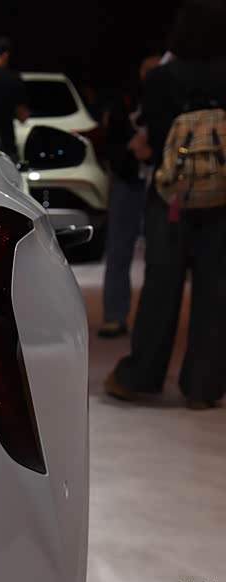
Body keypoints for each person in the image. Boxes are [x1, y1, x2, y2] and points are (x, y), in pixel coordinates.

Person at [106, 0, 226, 409]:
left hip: (171, 197)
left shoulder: (161, 78)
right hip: (221, 200)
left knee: (161, 288)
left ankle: (141, 376)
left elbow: (153, 139)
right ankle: (203, 387)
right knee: (215, 292)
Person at [99, 54, 162, 338]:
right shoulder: (124, 102)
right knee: (118, 250)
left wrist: (151, 152)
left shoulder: (169, 101)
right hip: (128, 182)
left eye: (157, 69)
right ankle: (114, 316)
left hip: (161, 184)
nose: (152, 75)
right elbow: (110, 142)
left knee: (161, 256)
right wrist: (128, 153)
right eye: (148, 69)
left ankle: (155, 322)